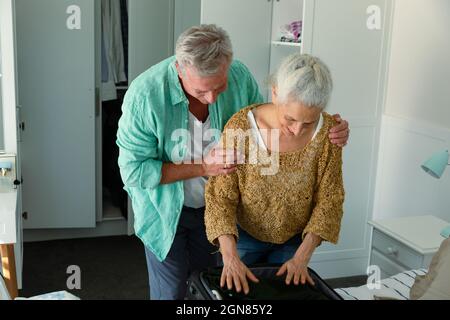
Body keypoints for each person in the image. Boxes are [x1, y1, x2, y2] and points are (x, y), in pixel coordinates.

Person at [117, 25, 350, 300]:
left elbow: (266, 129)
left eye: (220, 86)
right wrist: (204, 167)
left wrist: (324, 125)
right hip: (168, 211)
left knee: (210, 291)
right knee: (172, 293)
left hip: (221, 213)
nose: (213, 98)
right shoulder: (145, 95)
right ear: (181, 69)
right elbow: (134, 171)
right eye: (201, 91)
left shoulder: (240, 77)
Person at [205, 53, 345, 295]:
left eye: (309, 122)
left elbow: (330, 199)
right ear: (275, 92)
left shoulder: (329, 133)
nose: (296, 129)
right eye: (290, 118)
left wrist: (303, 255)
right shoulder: (241, 127)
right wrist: (230, 256)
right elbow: (221, 197)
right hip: (243, 239)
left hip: (295, 241)